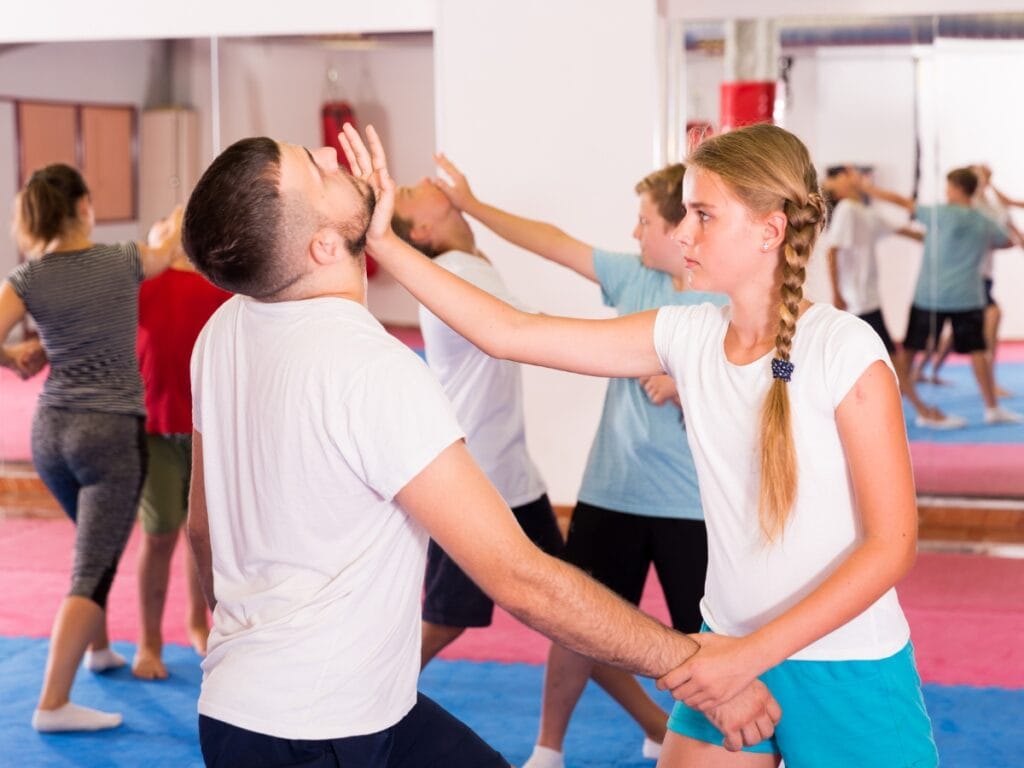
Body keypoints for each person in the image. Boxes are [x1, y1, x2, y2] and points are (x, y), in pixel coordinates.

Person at [344, 121, 938, 767]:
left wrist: (749, 655)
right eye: (685, 212)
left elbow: (892, 544)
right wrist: (385, 245)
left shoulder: (842, 348)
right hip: (728, 646)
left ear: (770, 230)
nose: (682, 233)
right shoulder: (685, 335)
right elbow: (511, 331)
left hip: (842, 664)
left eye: (704, 214)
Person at [181, 135, 779, 768]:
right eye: (314, 168)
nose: (333, 156)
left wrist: (257, 642)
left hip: (281, 709)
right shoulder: (370, 369)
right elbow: (519, 579)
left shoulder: (224, 329)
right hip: (317, 733)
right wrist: (692, 666)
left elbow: (203, 529)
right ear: (325, 246)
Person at [422, 156, 722, 767]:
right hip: (610, 492)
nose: (635, 234)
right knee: (580, 621)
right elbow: (552, 244)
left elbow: (771, 383)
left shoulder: (724, 300)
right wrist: (474, 204)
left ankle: (696, 743)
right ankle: (548, 750)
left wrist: (688, 385)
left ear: (677, 229)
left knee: (700, 640)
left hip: (690, 503)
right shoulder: (633, 277)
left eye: (644, 222)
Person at [0, 163, 181, 732]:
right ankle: (52, 703)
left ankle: (100, 651)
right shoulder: (122, 259)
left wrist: (16, 357)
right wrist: (173, 222)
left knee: (91, 542)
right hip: (109, 433)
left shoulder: (27, 277)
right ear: (83, 207)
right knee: (93, 565)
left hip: (50, 432)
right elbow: (168, 250)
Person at [390, 179, 565, 667]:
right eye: (408, 192)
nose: (418, 181)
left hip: (507, 473)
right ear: (424, 228)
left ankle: (655, 724)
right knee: (446, 620)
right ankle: (353, 712)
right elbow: (531, 329)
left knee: (576, 615)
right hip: (474, 480)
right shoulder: (453, 270)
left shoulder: (467, 264)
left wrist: (471, 203)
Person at [132, 218, 231, 680]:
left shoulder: (216, 289)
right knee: (158, 535)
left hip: (205, 432)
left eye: (180, 224)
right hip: (154, 431)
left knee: (203, 535)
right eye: (163, 225)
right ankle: (149, 638)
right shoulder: (141, 287)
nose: (171, 227)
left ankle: (199, 622)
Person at [862, 168, 1021, 425]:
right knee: (978, 351)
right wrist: (981, 243)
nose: (946, 193)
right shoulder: (984, 220)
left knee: (910, 350)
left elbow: (902, 201)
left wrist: (867, 188)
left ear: (957, 189)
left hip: (930, 296)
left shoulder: (940, 213)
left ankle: (889, 408)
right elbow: (1008, 242)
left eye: (949, 188)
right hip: (967, 296)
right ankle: (992, 408)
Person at [821, 165, 963, 428]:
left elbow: (905, 231)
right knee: (890, 361)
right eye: (844, 176)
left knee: (885, 360)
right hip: (858, 301)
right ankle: (922, 411)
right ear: (838, 188)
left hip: (867, 299)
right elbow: (832, 252)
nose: (852, 177)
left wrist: (948, 238)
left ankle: (911, 411)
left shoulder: (863, 212)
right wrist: (837, 294)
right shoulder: (847, 210)